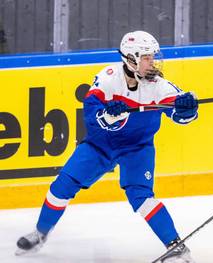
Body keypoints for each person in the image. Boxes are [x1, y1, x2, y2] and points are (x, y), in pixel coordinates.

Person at [16, 31, 198, 263]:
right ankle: (40, 233)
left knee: (141, 196)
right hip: (100, 145)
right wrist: (109, 118)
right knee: (62, 186)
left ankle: (177, 247)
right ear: (130, 60)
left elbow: (180, 116)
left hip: (137, 147)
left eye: (152, 57)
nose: (152, 62)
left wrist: (187, 109)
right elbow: (91, 118)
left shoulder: (159, 85)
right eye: (146, 58)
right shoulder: (108, 78)